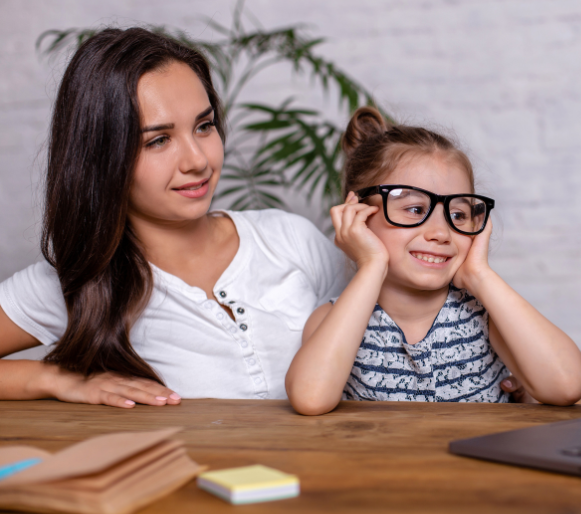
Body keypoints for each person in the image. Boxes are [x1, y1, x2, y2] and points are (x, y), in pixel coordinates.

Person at [0, 28, 348, 408]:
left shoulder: (289, 238)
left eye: (204, 126)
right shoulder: (81, 282)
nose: (197, 160)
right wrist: (54, 378)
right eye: (158, 140)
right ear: (103, 157)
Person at [285, 107, 581, 415]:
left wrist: (479, 275)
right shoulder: (334, 319)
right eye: (415, 210)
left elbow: (567, 385)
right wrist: (371, 264)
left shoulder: (486, 316)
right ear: (357, 214)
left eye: (458, 215)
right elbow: (311, 399)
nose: (441, 232)